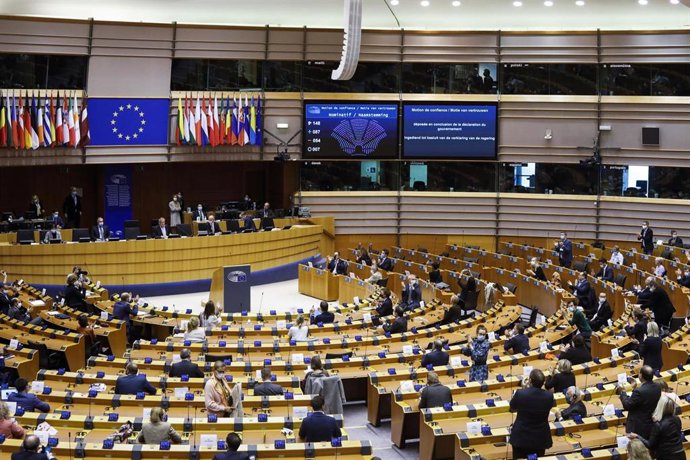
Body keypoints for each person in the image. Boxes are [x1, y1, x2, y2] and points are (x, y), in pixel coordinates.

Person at [509, 369, 554, 459]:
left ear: (530, 381)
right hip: (540, 437)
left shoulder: (521, 393)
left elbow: (512, 407)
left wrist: (524, 389)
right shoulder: (549, 396)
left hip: (521, 436)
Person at [618, 365, 661, 439]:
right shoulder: (657, 387)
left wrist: (623, 393)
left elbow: (627, 405)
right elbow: (641, 400)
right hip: (649, 423)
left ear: (641, 375)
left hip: (637, 426)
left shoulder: (639, 391)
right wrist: (633, 388)